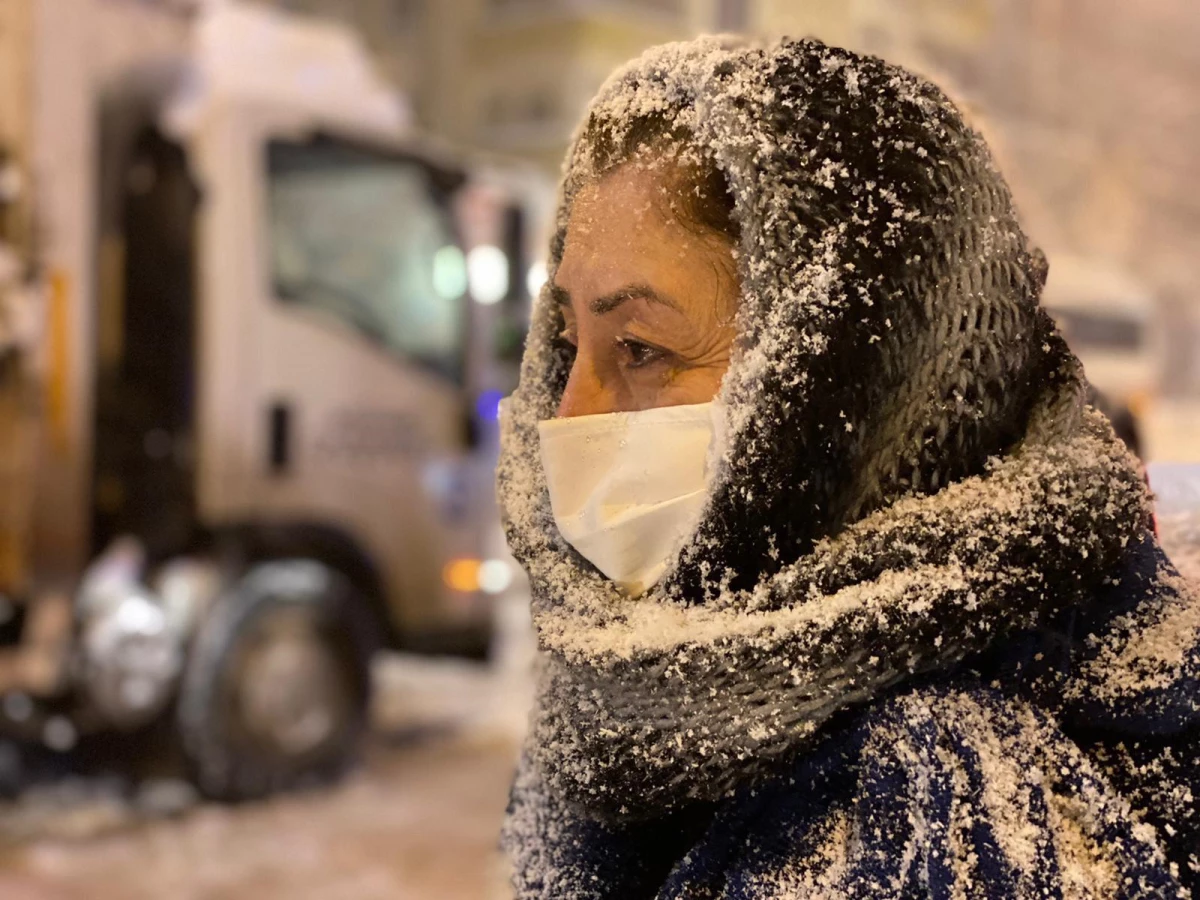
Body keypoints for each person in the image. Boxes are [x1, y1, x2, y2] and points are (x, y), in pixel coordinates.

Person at [497, 36, 1200, 898]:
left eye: (641, 349)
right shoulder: (642, 703)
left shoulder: (925, 819)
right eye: (569, 344)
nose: (567, 417)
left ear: (846, 394)